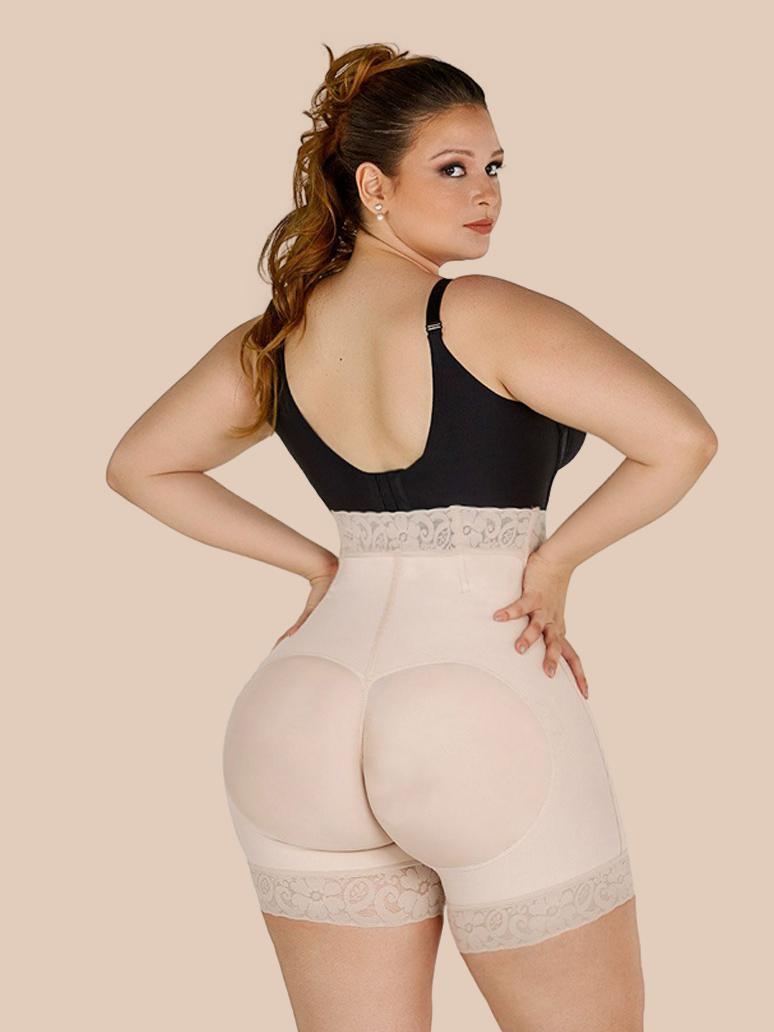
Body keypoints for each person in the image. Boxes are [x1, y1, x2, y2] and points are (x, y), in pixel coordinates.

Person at [106, 42, 717, 1032]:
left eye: (496, 167)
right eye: (453, 168)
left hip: (299, 709)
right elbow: (682, 441)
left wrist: (319, 566)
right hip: (480, 697)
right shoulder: (486, 310)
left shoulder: (280, 332)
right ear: (373, 186)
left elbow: (141, 465)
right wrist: (556, 563)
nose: (487, 193)